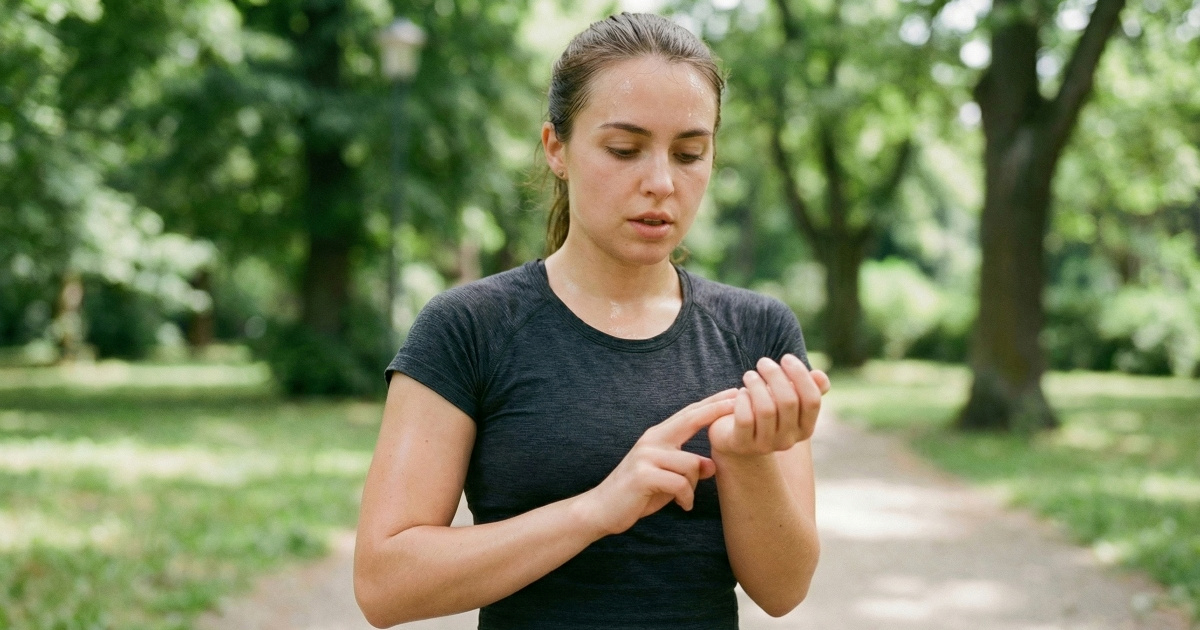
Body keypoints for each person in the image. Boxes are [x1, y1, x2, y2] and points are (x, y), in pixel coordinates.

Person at [354, 12, 830, 630]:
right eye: (624, 150)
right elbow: (383, 584)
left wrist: (743, 458)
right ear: (557, 148)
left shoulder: (757, 333)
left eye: (690, 153)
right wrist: (597, 509)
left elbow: (783, 590)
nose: (661, 182)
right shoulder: (468, 328)